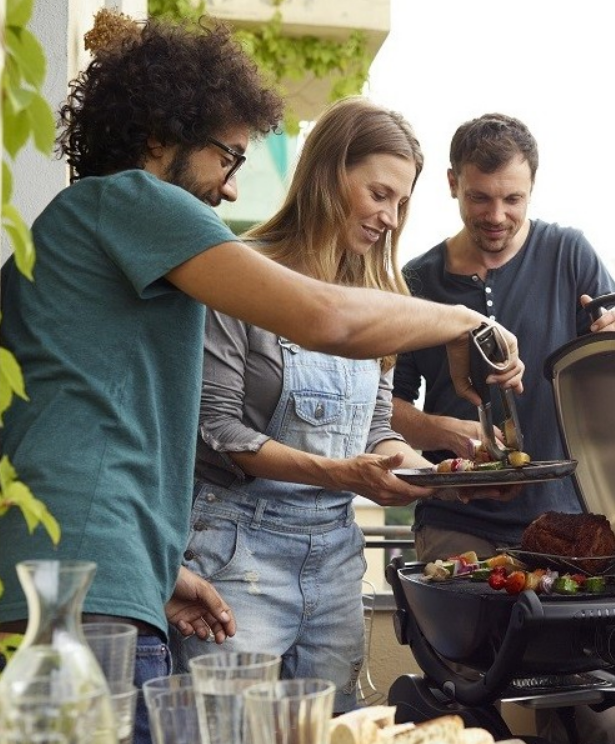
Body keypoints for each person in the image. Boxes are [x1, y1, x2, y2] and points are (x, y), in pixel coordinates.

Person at [0, 13, 521, 744]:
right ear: (157, 138)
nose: (232, 191)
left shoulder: (96, 227)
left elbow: (100, 408)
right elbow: (323, 318)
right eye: (228, 158)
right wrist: (468, 322)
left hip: (109, 573)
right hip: (88, 586)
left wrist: (156, 570)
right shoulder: (131, 202)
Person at [172, 96, 509, 713]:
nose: (389, 216)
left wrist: (437, 474)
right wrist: (340, 474)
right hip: (236, 556)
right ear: (329, 175)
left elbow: (378, 428)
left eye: (402, 203)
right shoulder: (241, 271)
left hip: (335, 561)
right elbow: (215, 429)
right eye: (379, 194)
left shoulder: (380, 295)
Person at [390, 113, 615, 744]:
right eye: (479, 197)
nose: (496, 214)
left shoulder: (570, 252)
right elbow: (382, 405)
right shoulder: (417, 280)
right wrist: (437, 429)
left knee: (590, 709)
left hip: (564, 524)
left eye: (512, 199)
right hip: (457, 526)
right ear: (451, 185)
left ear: (532, 189)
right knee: (470, 706)